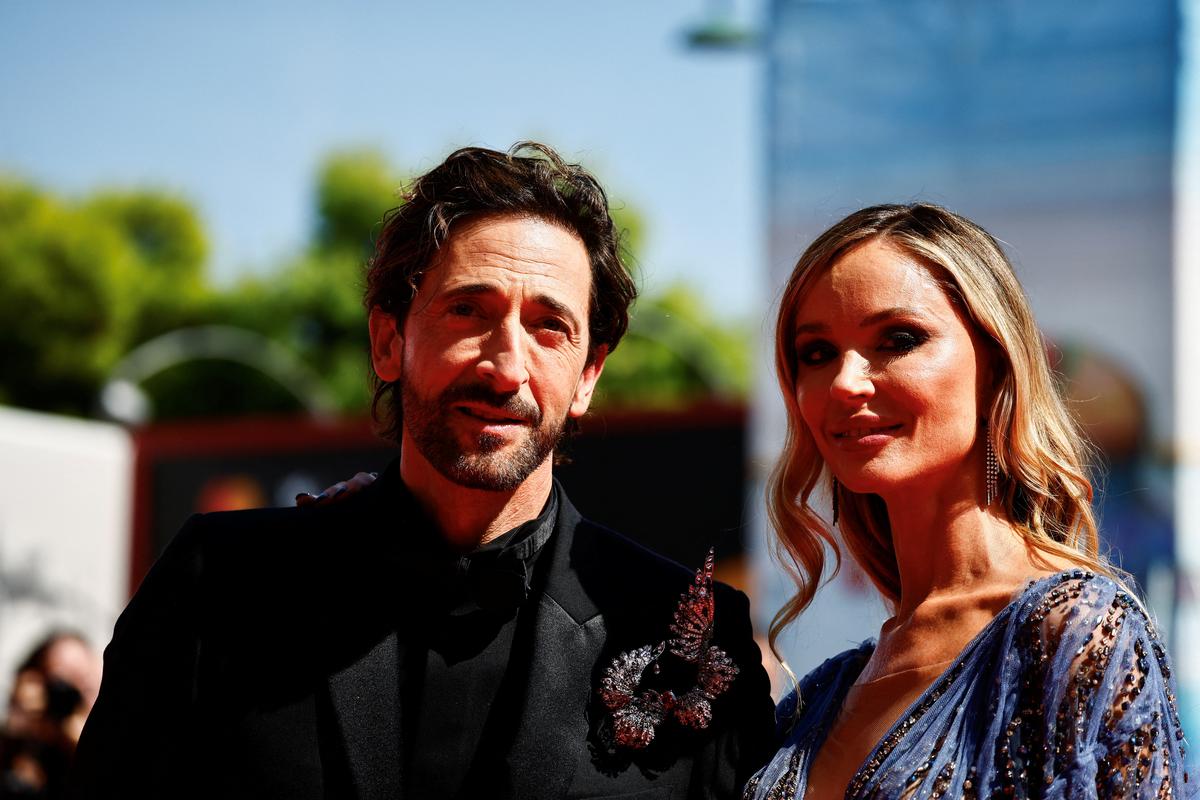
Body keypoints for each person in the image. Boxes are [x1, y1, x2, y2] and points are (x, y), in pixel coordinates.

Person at [71, 143, 775, 800]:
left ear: (589, 373)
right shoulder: (220, 586)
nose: (506, 368)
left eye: (549, 327)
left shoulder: (690, 634)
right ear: (388, 341)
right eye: (468, 311)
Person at [742, 203, 1193, 799]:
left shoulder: (1073, 635)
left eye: (898, 339)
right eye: (817, 353)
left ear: (996, 368)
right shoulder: (824, 694)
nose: (845, 382)